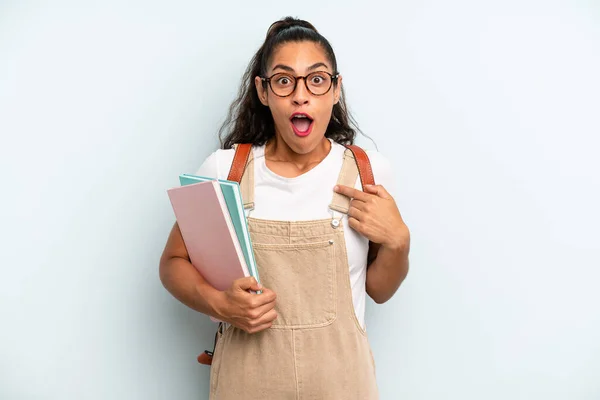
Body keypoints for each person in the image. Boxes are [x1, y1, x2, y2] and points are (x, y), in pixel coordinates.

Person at [159, 16, 410, 400]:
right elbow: (172, 263)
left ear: (335, 89)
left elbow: (379, 289)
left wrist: (399, 243)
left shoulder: (368, 172)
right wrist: (222, 305)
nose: (300, 95)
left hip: (343, 386)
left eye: (317, 79)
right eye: (283, 80)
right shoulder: (224, 170)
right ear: (263, 91)